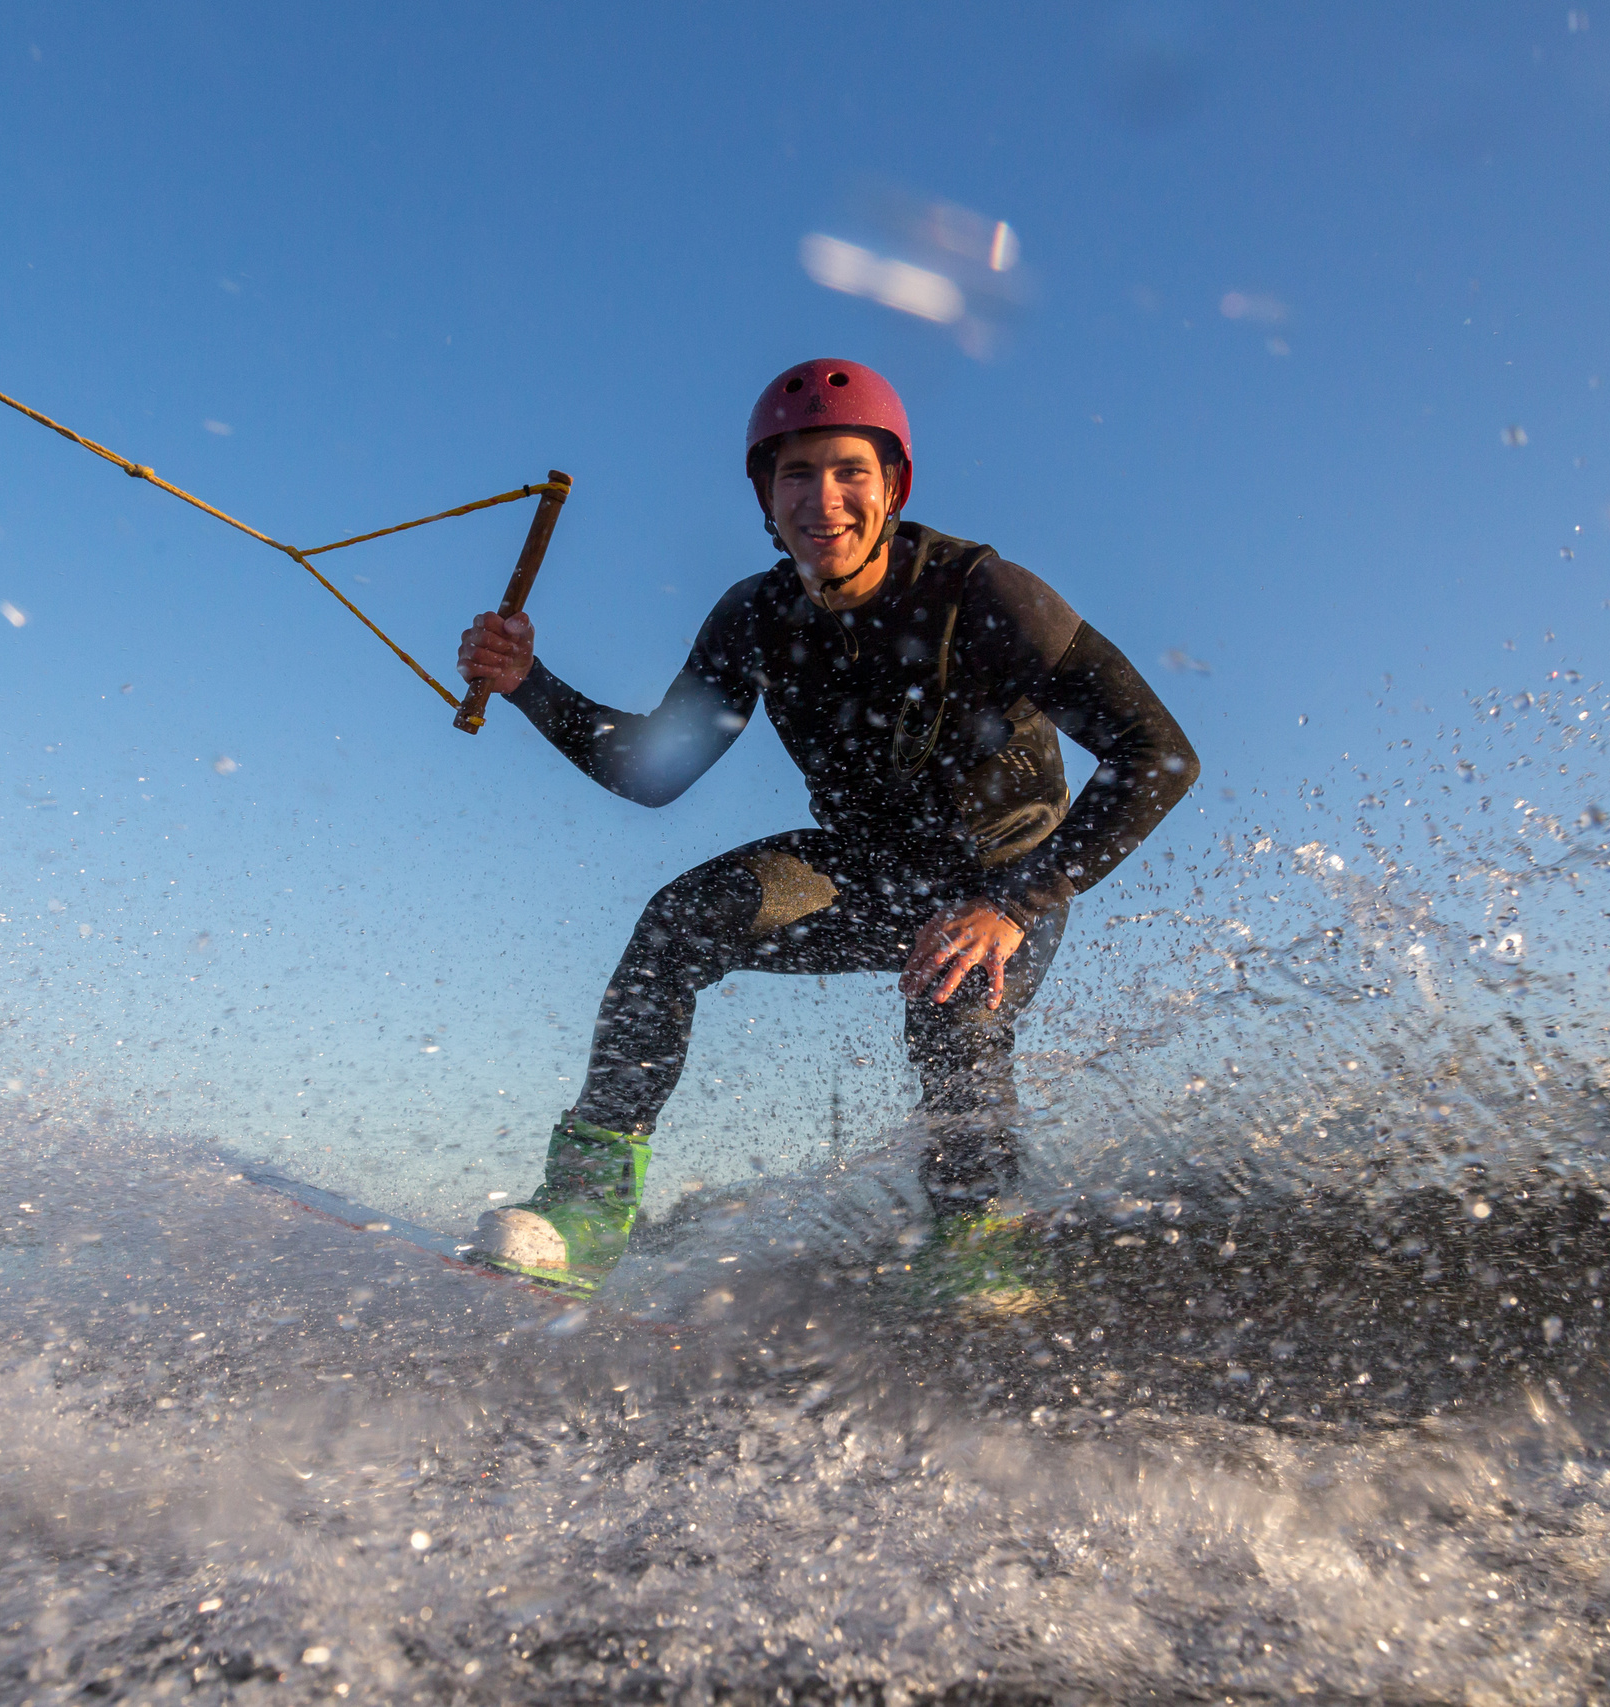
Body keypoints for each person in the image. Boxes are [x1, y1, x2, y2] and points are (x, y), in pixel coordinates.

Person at [455, 358, 1198, 1297]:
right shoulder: (756, 618)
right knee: (676, 925)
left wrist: (1016, 903)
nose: (824, 499)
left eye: (851, 471)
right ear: (765, 496)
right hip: (866, 872)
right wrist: (529, 683)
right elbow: (652, 770)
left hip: (1001, 880)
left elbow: (1157, 752)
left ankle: (979, 1246)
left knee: (954, 1006)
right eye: (796, 474)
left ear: (894, 487)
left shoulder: (983, 593)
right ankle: (585, 1211)